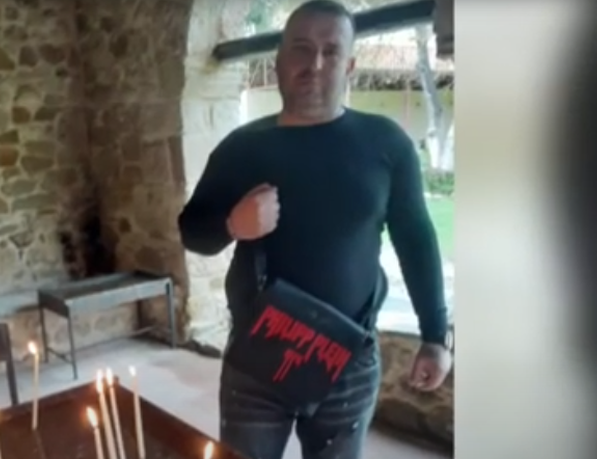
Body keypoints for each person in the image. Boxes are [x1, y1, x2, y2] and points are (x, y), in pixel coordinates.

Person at [178, 1, 452, 458]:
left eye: (331, 51)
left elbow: (416, 240)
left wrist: (434, 335)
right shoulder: (242, 148)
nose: (315, 63)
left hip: (349, 358)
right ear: (280, 60)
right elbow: (192, 232)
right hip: (257, 356)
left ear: (350, 65)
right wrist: (232, 224)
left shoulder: (386, 144)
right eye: (301, 49)